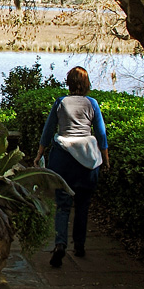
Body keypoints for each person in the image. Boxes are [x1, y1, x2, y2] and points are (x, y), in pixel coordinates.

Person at [34, 66, 109, 268]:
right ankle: (80, 245)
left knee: (63, 204)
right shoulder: (92, 104)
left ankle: (60, 244)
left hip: (63, 159)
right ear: (86, 84)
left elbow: (48, 131)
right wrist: (105, 157)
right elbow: (101, 134)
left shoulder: (60, 103)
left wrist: (40, 153)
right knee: (83, 205)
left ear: (68, 82)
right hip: (87, 162)